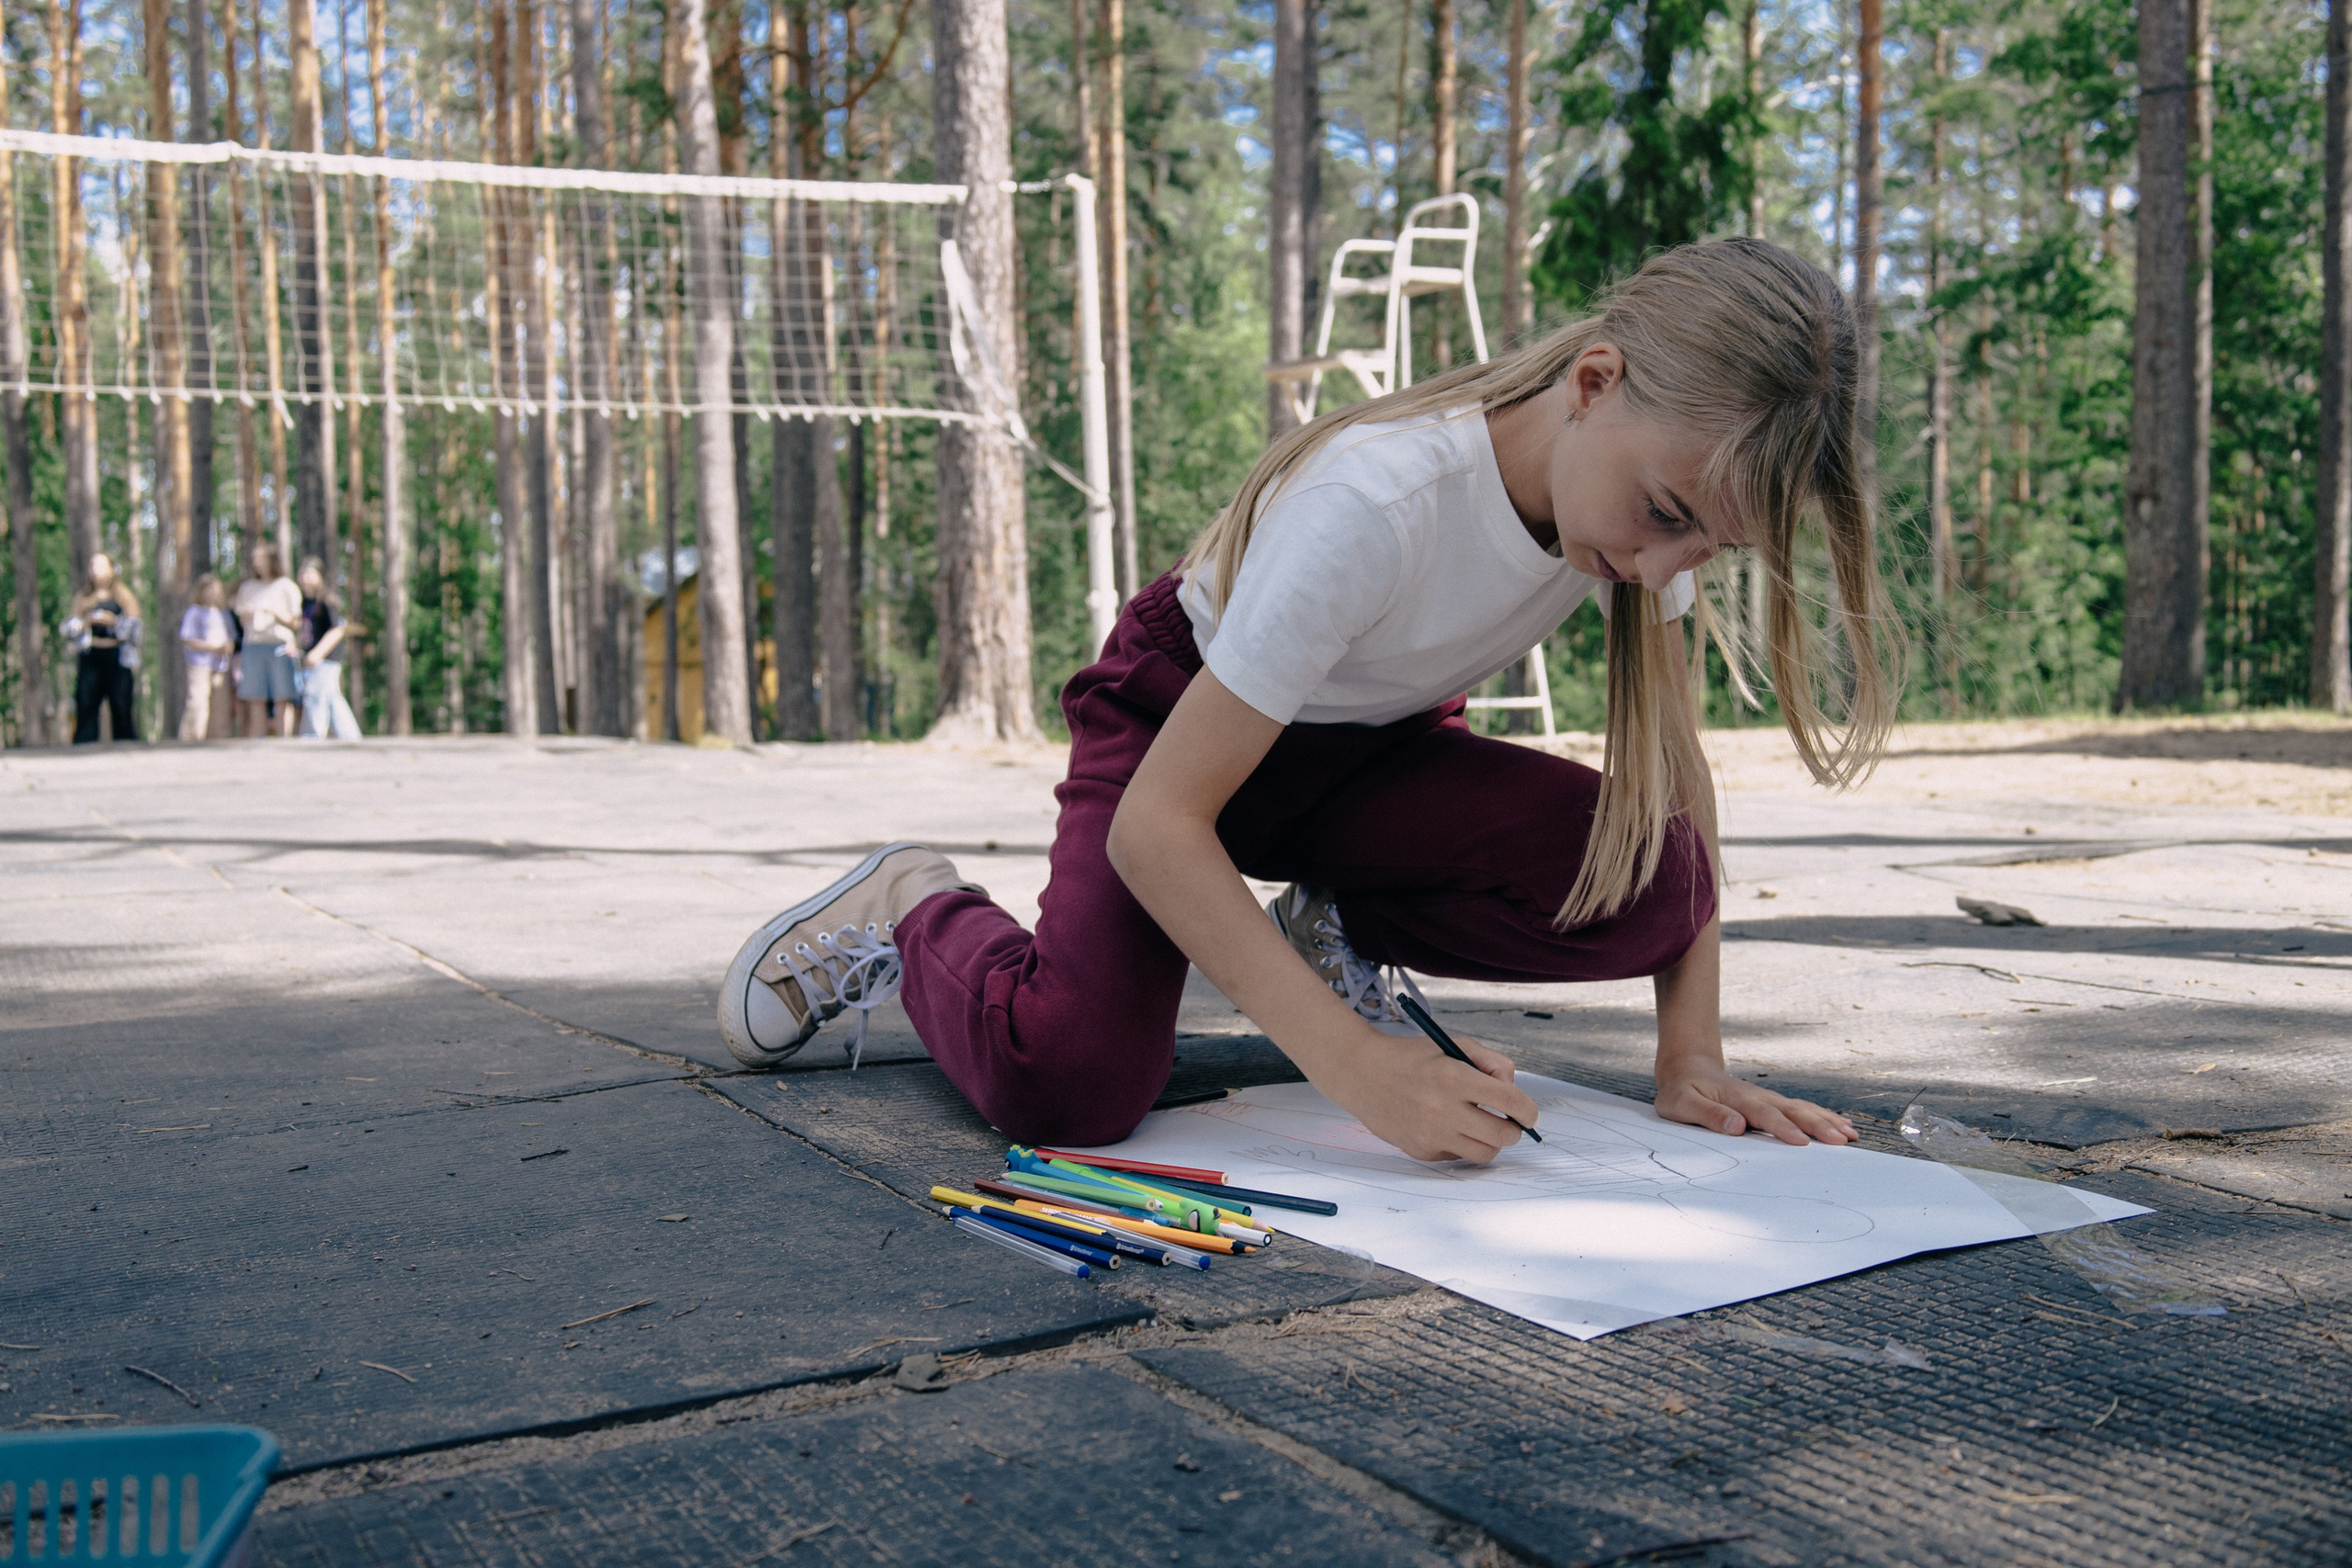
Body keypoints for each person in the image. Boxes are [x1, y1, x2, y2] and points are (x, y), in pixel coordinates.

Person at [717, 238, 1899, 1165]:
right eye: (1666, 521)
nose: (1664, 573)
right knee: (1070, 1086)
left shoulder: (1649, 510)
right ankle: (912, 904)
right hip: (1175, 736)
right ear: (1596, 383)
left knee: (1661, 884)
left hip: (1363, 762)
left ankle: (1329, 925)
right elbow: (1158, 825)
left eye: (1707, 553)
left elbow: (1674, 790)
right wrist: (1352, 1067)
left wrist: (1689, 1053)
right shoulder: (1375, 502)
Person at [65, 551, 141, 744]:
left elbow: (135, 629)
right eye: (93, 566)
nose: (96, 571)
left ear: (110, 569)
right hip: (91, 655)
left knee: (121, 705)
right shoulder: (83, 597)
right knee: (86, 703)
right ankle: (84, 748)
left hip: (117, 656)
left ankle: (126, 747)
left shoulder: (123, 595)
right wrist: (85, 623)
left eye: (100, 566)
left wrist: (114, 622)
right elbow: (69, 628)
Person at [232, 542, 302, 738]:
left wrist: (275, 613)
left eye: (261, 558)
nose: (257, 563)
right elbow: (240, 619)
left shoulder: (286, 586)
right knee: (256, 696)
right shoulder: (247, 587)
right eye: (255, 559)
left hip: (280, 645)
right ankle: (258, 740)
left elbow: (296, 622)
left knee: (282, 696)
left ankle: (284, 738)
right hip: (253, 645)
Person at [294, 556, 360, 739]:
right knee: (332, 698)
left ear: (319, 576)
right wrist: (296, 646)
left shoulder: (326, 600)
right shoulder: (305, 602)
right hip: (313, 657)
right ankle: (351, 737)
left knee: (315, 695)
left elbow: (338, 629)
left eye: (310, 573)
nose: (305, 578)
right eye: (302, 573)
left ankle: (312, 736)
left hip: (327, 658)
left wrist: (318, 652)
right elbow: (306, 631)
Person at [177, 573, 236, 742]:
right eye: (209, 590)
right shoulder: (194, 612)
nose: (213, 594)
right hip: (200, 664)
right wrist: (212, 648)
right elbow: (188, 640)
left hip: (220, 665)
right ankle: (192, 738)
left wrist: (227, 647)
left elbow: (231, 636)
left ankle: (218, 738)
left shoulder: (223, 613)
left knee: (220, 705)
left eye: (216, 590)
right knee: (198, 701)